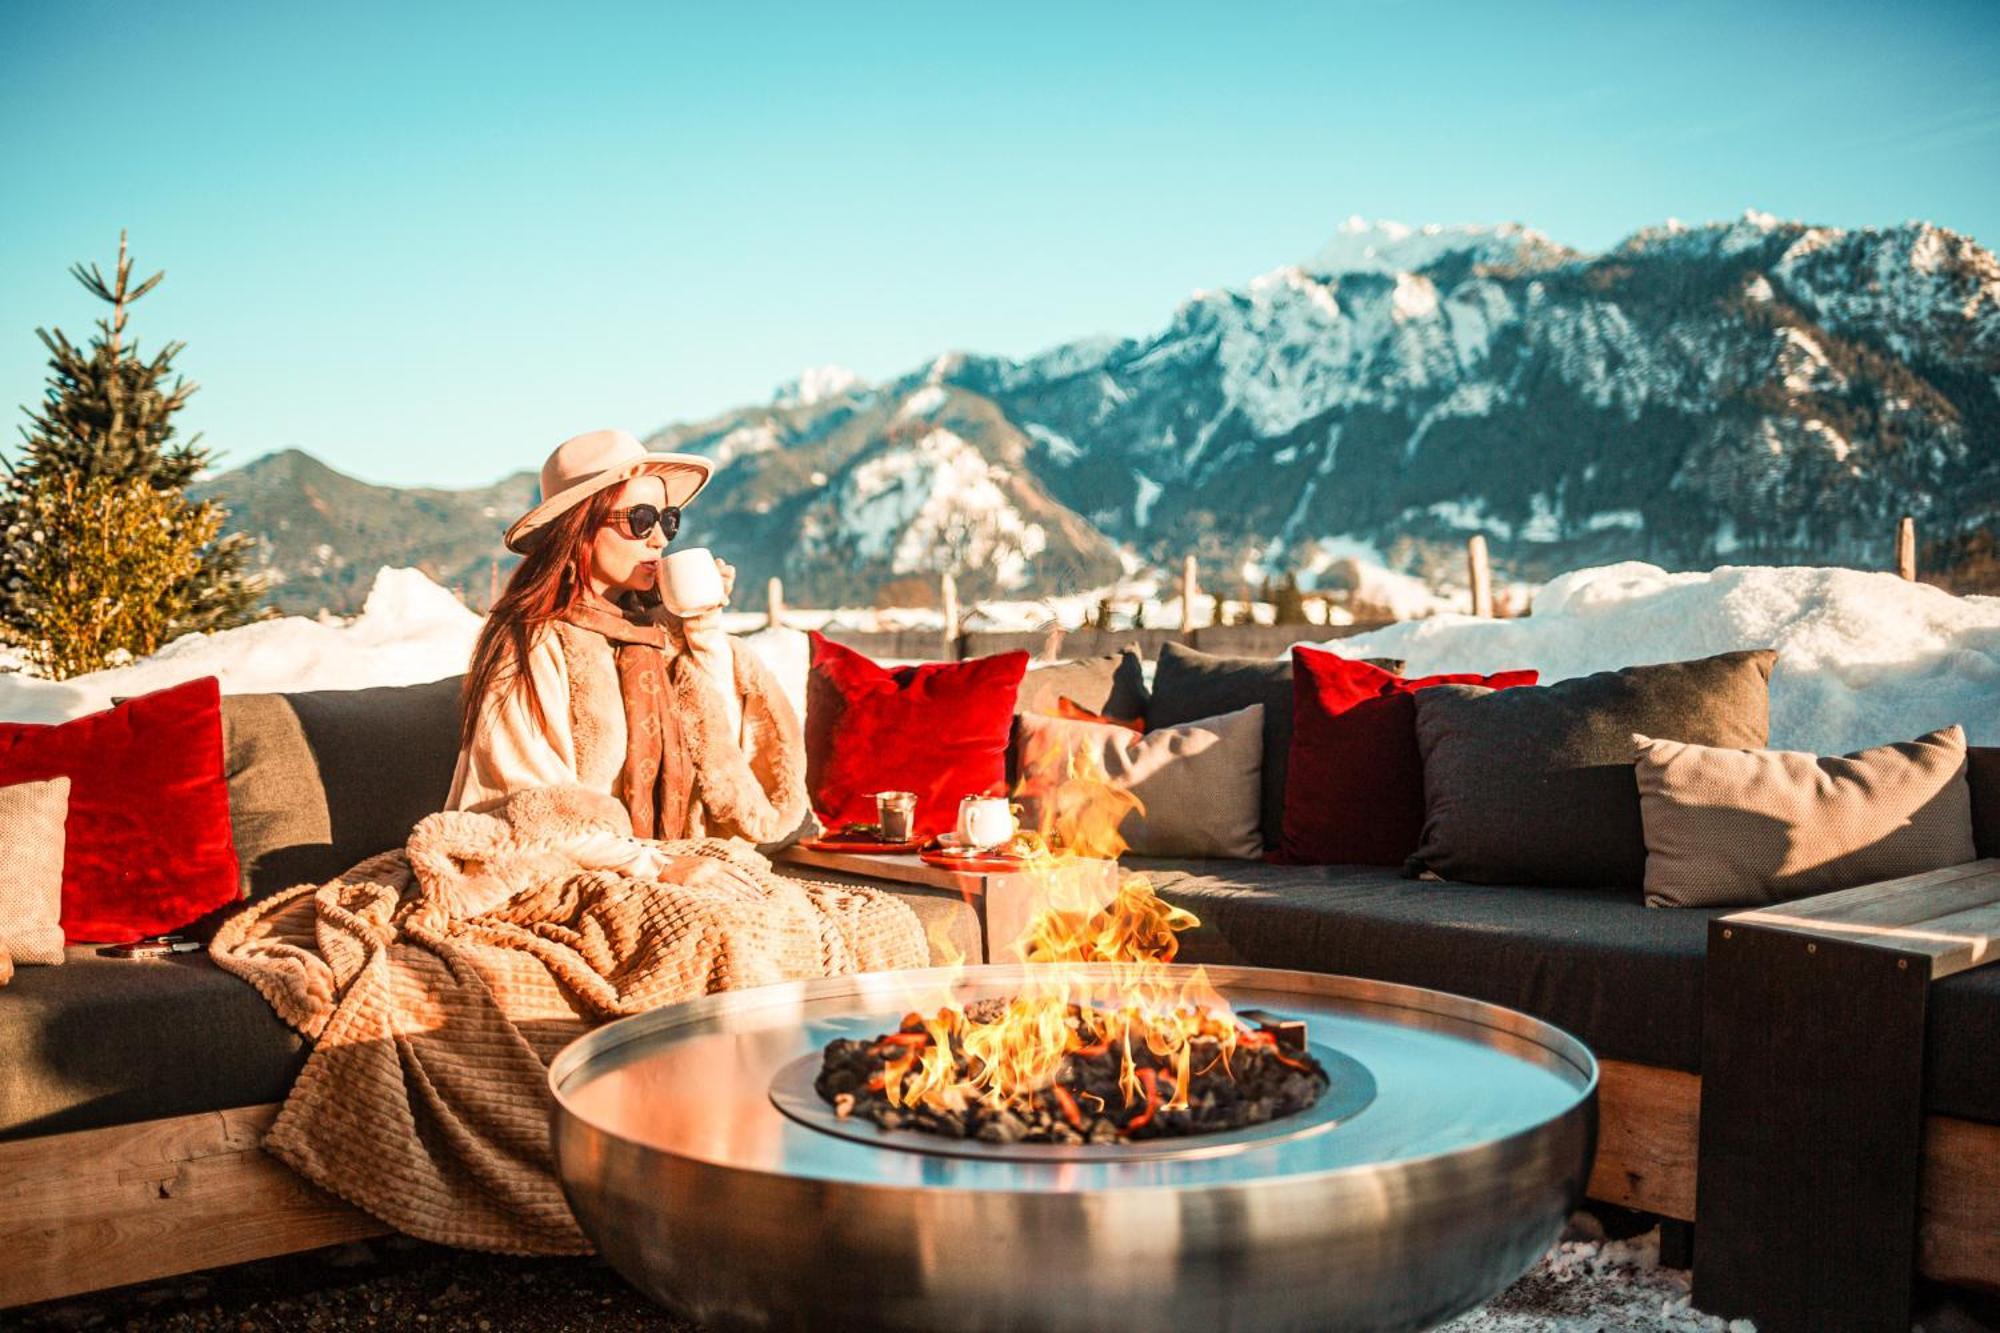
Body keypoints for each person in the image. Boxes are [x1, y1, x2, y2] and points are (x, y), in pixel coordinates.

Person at [447, 428, 809, 879]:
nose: (659, 538)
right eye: (640, 520)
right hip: (554, 872)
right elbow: (533, 810)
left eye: (668, 520)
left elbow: (724, 771)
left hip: (656, 862)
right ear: (578, 528)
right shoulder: (530, 644)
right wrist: (658, 868)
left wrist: (701, 623)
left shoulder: (656, 635)